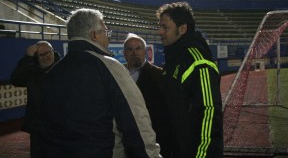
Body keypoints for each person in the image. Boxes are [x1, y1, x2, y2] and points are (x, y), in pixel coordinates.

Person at [38, 8, 161, 158]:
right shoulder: (109, 66)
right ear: (94, 35)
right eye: (105, 32)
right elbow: (137, 123)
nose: (108, 38)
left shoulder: (53, 73)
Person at [156, 2, 224, 158]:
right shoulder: (174, 58)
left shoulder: (198, 62)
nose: (159, 32)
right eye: (160, 26)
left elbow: (210, 112)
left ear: (182, 29)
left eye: (165, 28)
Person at [123, 33, 173, 158]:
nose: (134, 52)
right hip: (125, 138)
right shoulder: (118, 73)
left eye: (138, 48)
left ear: (145, 52)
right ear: (124, 53)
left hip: (152, 139)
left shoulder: (159, 75)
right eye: (130, 49)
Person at [10, 41, 60, 158]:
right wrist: (27, 58)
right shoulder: (31, 72)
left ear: (53, 51)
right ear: (36, 57)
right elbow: (16, 79)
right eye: (41, 55)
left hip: (59, 124)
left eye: (48, 52)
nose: (46, 56)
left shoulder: (63, 69)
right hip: (38, 125)